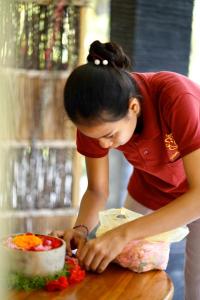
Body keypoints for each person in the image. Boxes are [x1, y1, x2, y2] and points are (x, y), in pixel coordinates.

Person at [53, 40, 200, 300]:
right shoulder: (95, 120)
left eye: (110, 136)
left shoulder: (176, 98)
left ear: (134, 107)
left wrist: (123, 233)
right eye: (94, 137)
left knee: (196, 282)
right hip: (151, 187)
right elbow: (97, 190)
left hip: (195, 195)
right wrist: (81, 231)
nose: (102, 145)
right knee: (121, 268)